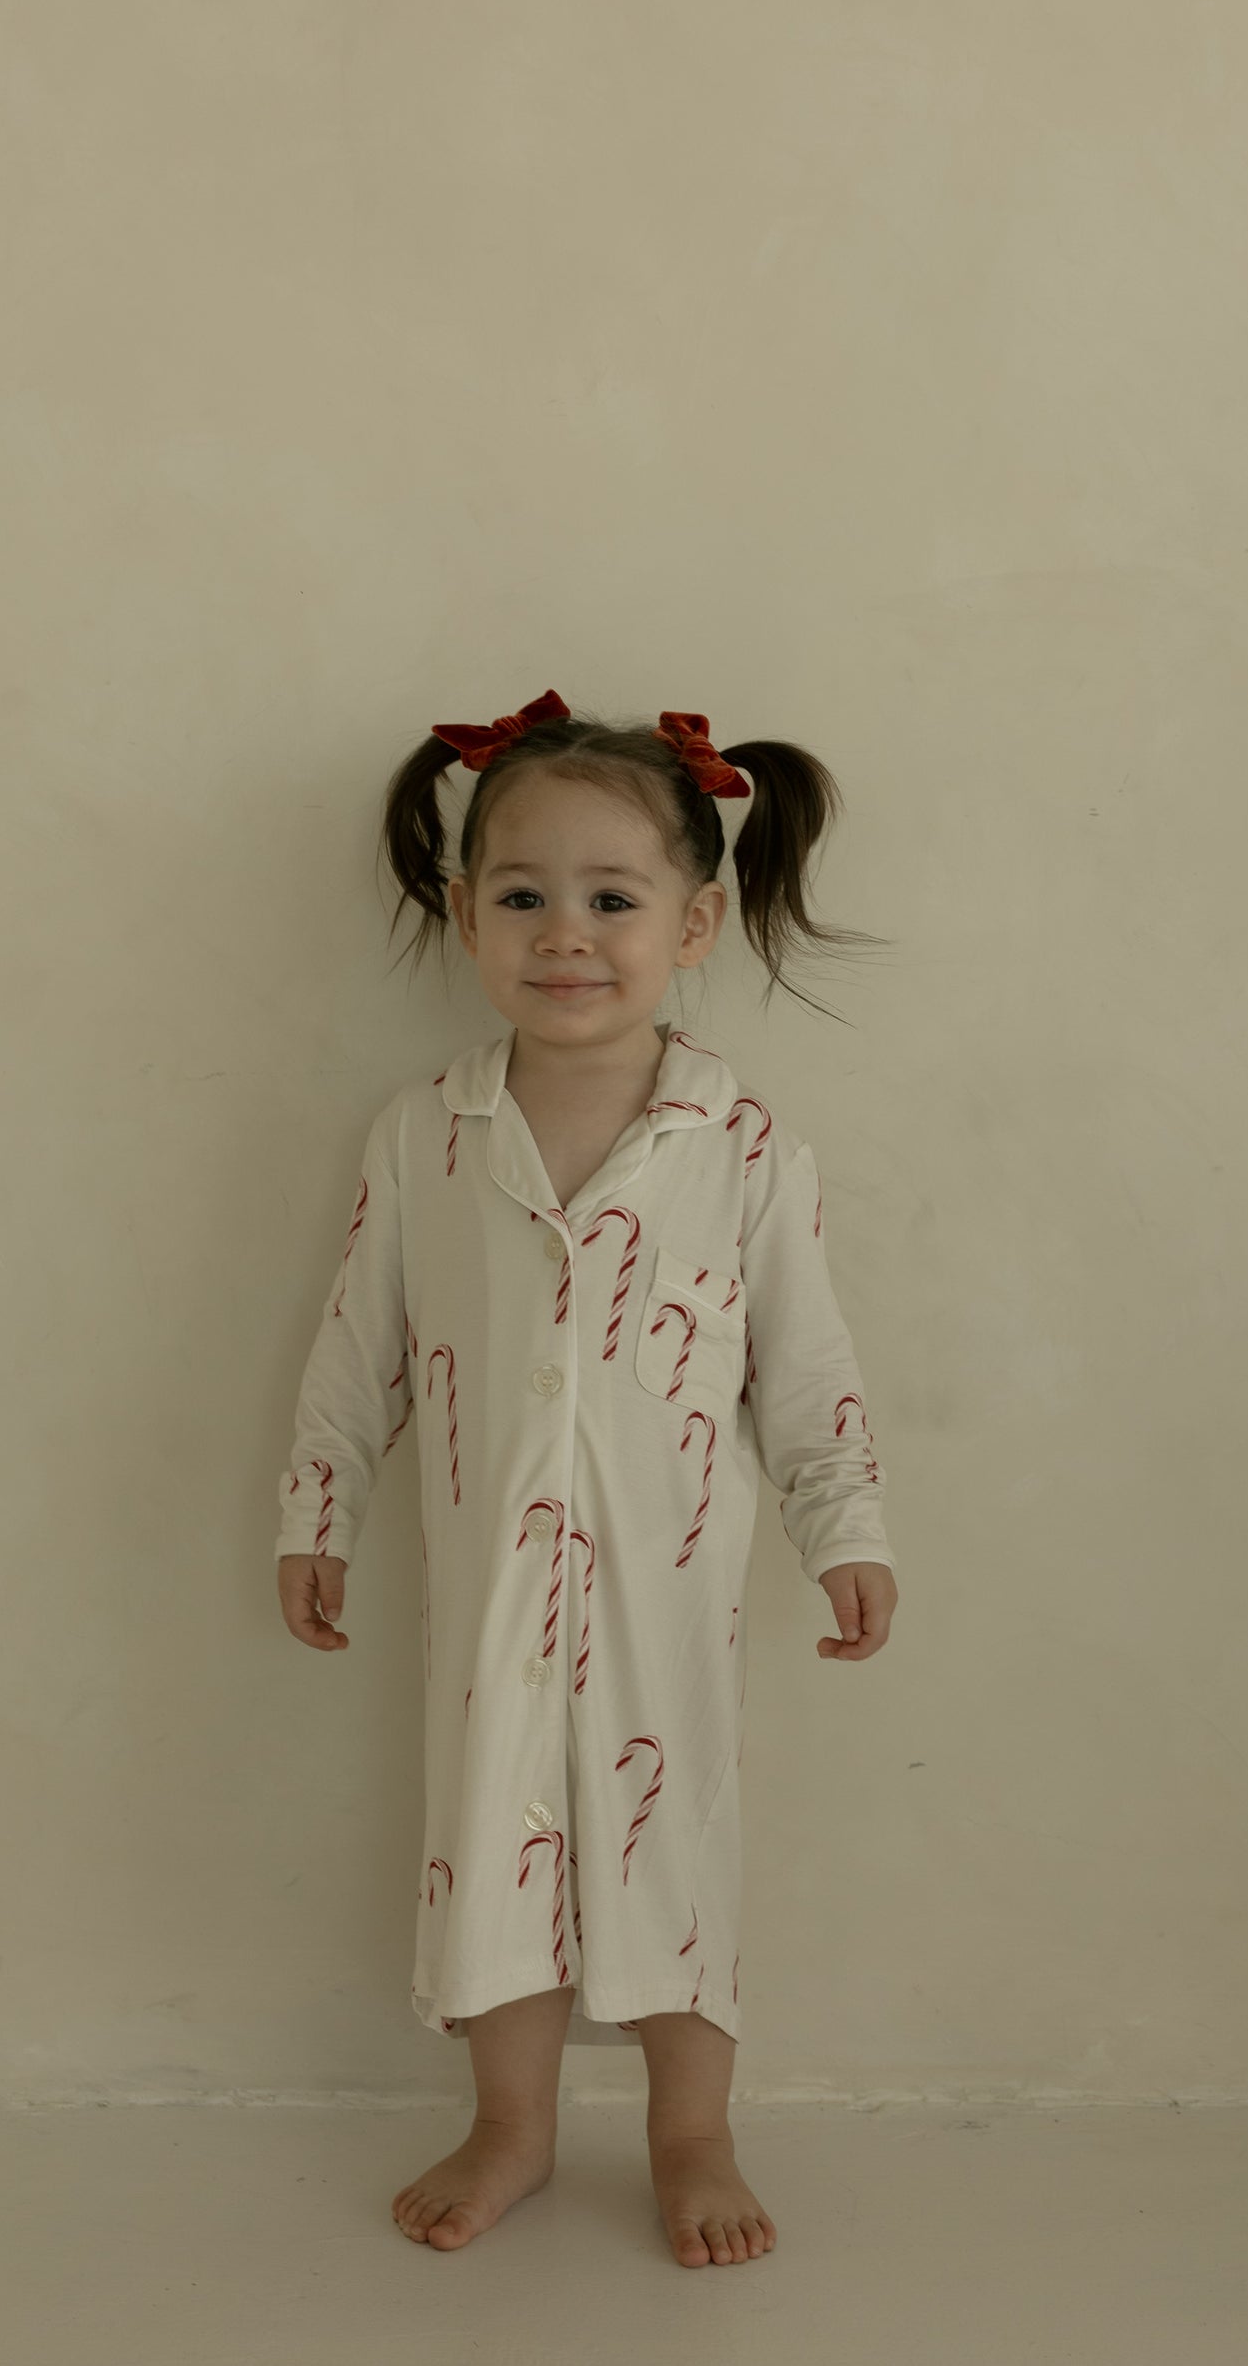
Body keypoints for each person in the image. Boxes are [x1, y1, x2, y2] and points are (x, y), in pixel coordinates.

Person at [275, 688, 900, 2267]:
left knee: (670, 1838)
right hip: (488, 1594)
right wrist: (318, 1506)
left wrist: (846, 1530)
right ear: (460, 910)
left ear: (694, 923)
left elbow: (804, 1366)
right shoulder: (423, 1135)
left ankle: (693, 2134)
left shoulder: (742, 1147)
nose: (567, 935)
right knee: (490, 1836)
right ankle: (512, 2124)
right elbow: (362, 1343)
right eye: (522, 896)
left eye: (611, 899)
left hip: (665, 1596)